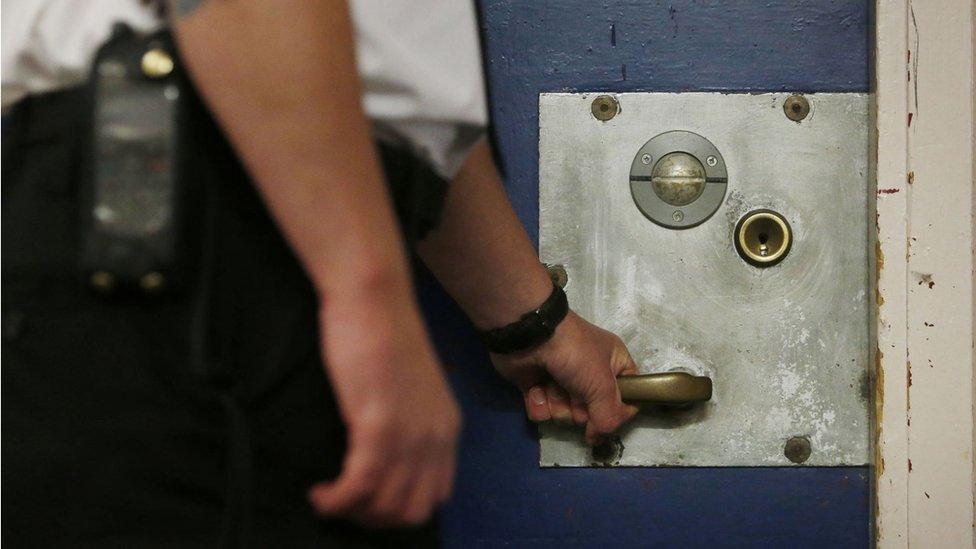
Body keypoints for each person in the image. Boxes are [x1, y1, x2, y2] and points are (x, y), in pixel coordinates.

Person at [2, 0, 640, 546]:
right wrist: (366, 294)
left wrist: (530, 323)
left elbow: (396, 89)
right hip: (171, 240)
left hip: (253, 237)